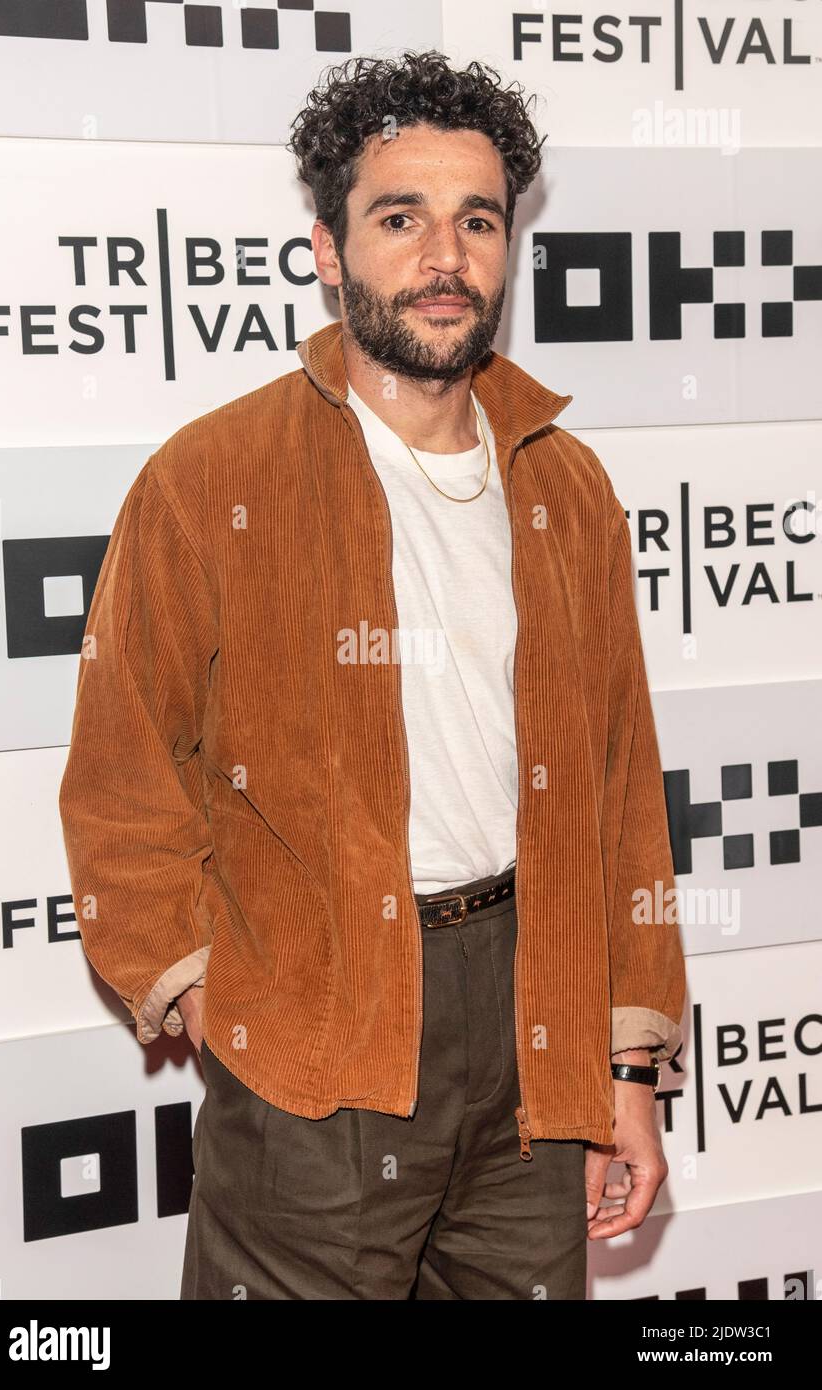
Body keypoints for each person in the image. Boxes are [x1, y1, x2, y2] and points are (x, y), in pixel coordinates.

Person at [59, 50, 686, 1301]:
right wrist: (210, 996)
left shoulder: (567, 487)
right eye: (398, 219)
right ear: (329, 251)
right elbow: (126, 769)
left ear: (509, 246)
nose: (442, 256)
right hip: (315, 1035)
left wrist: (625, 1064)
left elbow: (619, 790)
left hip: (530, 1020)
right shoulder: (213, 476)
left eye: (476, 220)